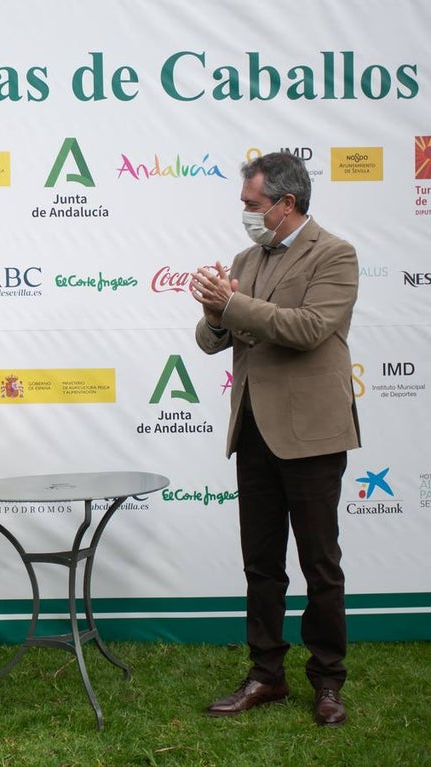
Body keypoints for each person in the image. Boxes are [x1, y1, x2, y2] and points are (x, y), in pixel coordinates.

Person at [190, 152, 359, 727]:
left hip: (312, 434)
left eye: (252, 205)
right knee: (261, 565)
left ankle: (328, 680)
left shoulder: (335, 254)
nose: (245, 214)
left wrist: (232, 303)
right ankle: (265, 674)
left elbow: (310, 328)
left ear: (287, 204)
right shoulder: (246, 257)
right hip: (256, 431)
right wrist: (215, 313)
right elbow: (213, 340)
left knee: (320, 564)